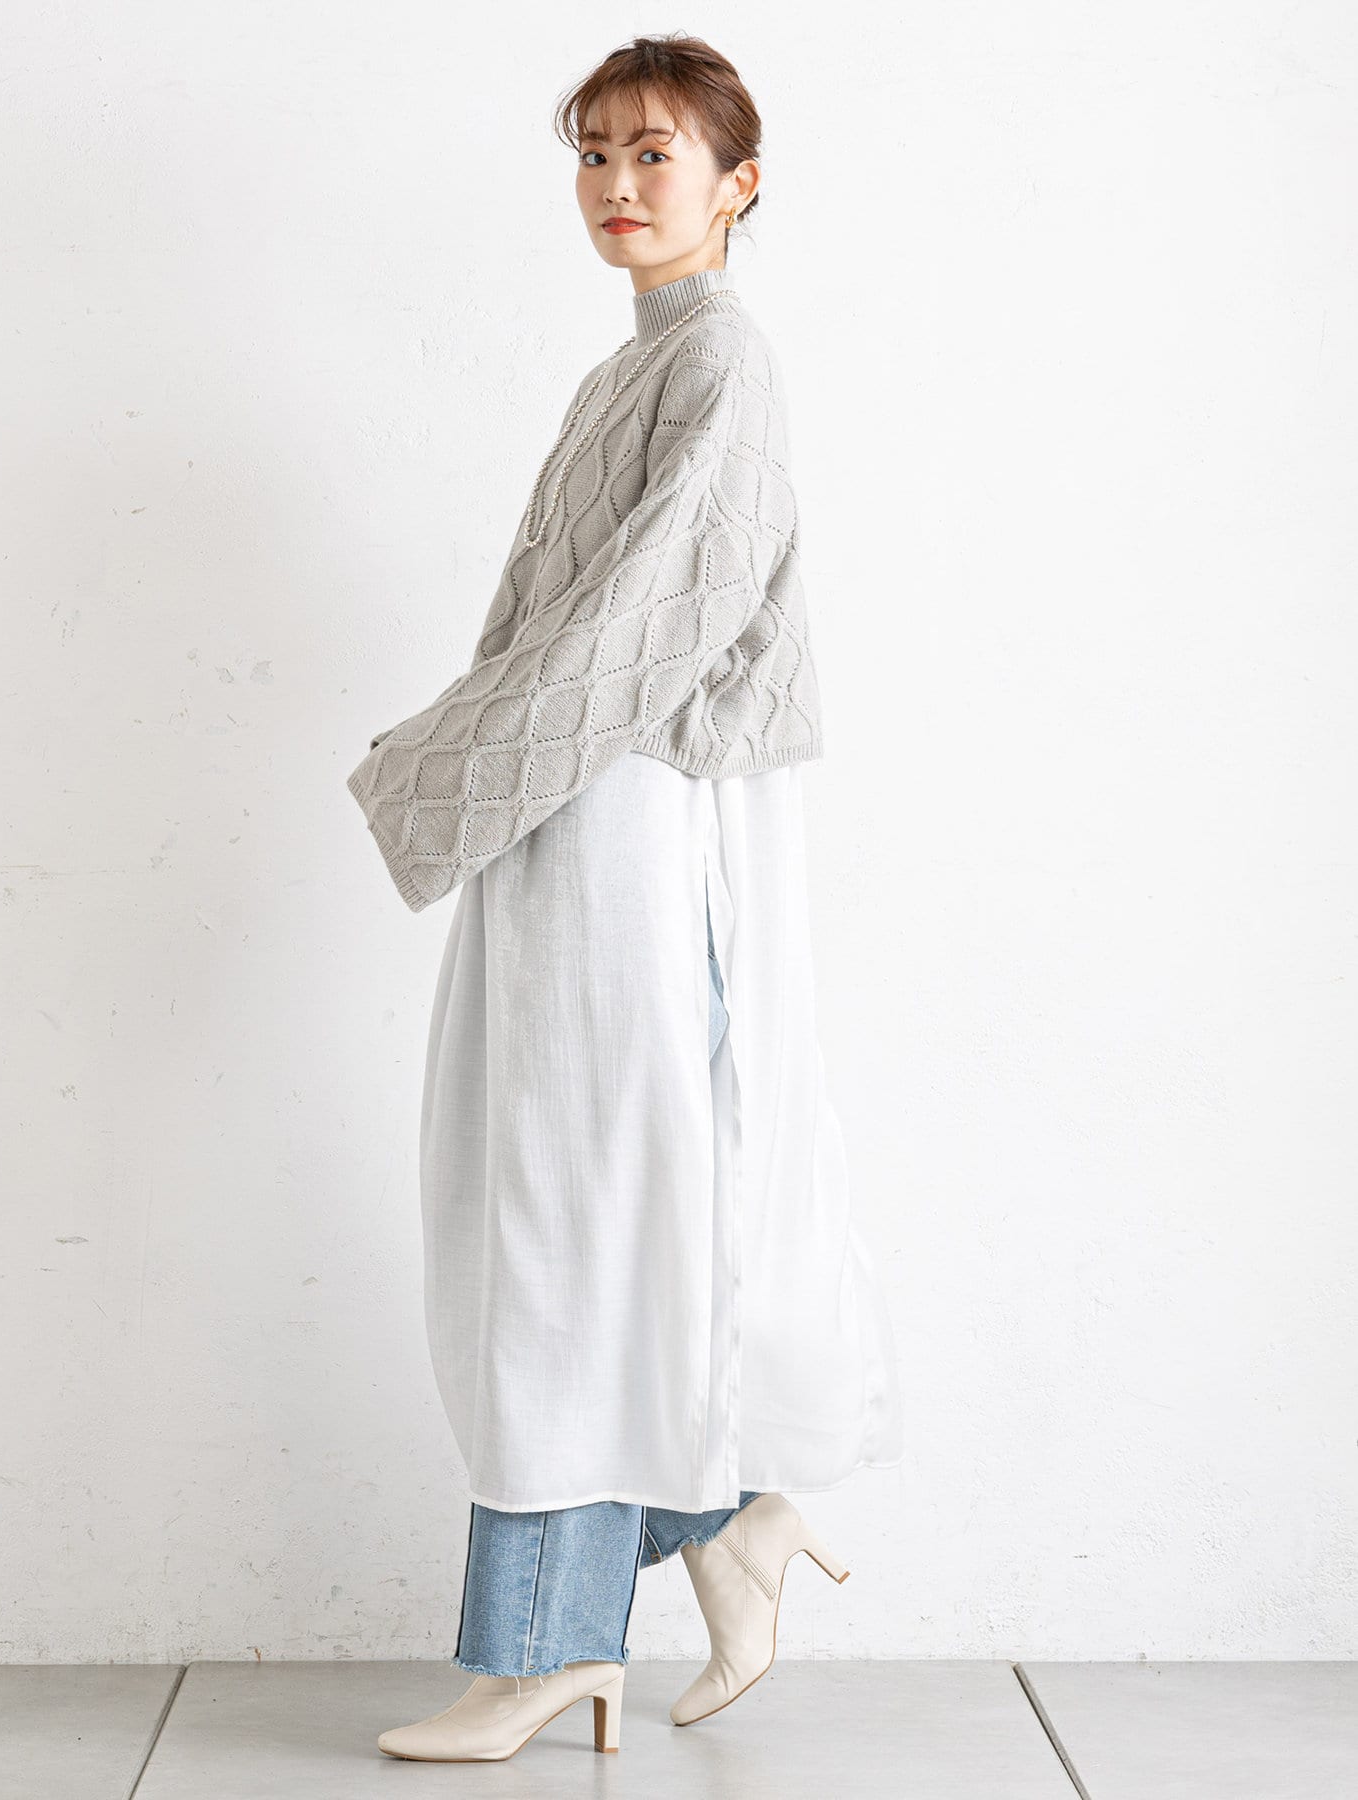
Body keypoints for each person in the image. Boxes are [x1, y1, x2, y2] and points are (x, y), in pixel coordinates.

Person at [345, 32, 904, 1763]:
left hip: (632, 822)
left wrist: (443, 762)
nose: (614, 185)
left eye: (654, 155)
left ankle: (544, 1649)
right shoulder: (634, 369)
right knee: (567, 1209)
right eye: (592, 154)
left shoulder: (722, 360)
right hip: (574, 815)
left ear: (740, 185)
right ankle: (723, 1525)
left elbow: (644, 625)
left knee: (570, 1224)